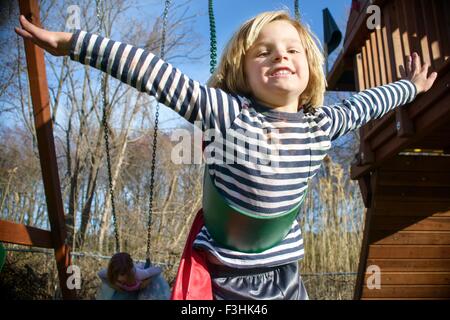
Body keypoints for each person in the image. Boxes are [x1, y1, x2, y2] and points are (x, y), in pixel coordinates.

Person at [15, 10, 437, 300]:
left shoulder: (321, 124)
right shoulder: (230, 113)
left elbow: (372, 102)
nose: (280, 56)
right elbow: (150, 72)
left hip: (285, 274)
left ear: (309, 66)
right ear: (242, 69)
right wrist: (71, 42)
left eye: (292, 50)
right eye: (264, 51)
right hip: (224, 276)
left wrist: (412, 88)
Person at [98, 252, 162, 293]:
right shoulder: (109, 273)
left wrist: (146, 283)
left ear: (129, 272)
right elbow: (100, 274)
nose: (119, 278)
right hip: (124, 292)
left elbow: (158, 269)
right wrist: (114, 286)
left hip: (139, 289)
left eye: (122, 274)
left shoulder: (139, 275)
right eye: (115, 274)